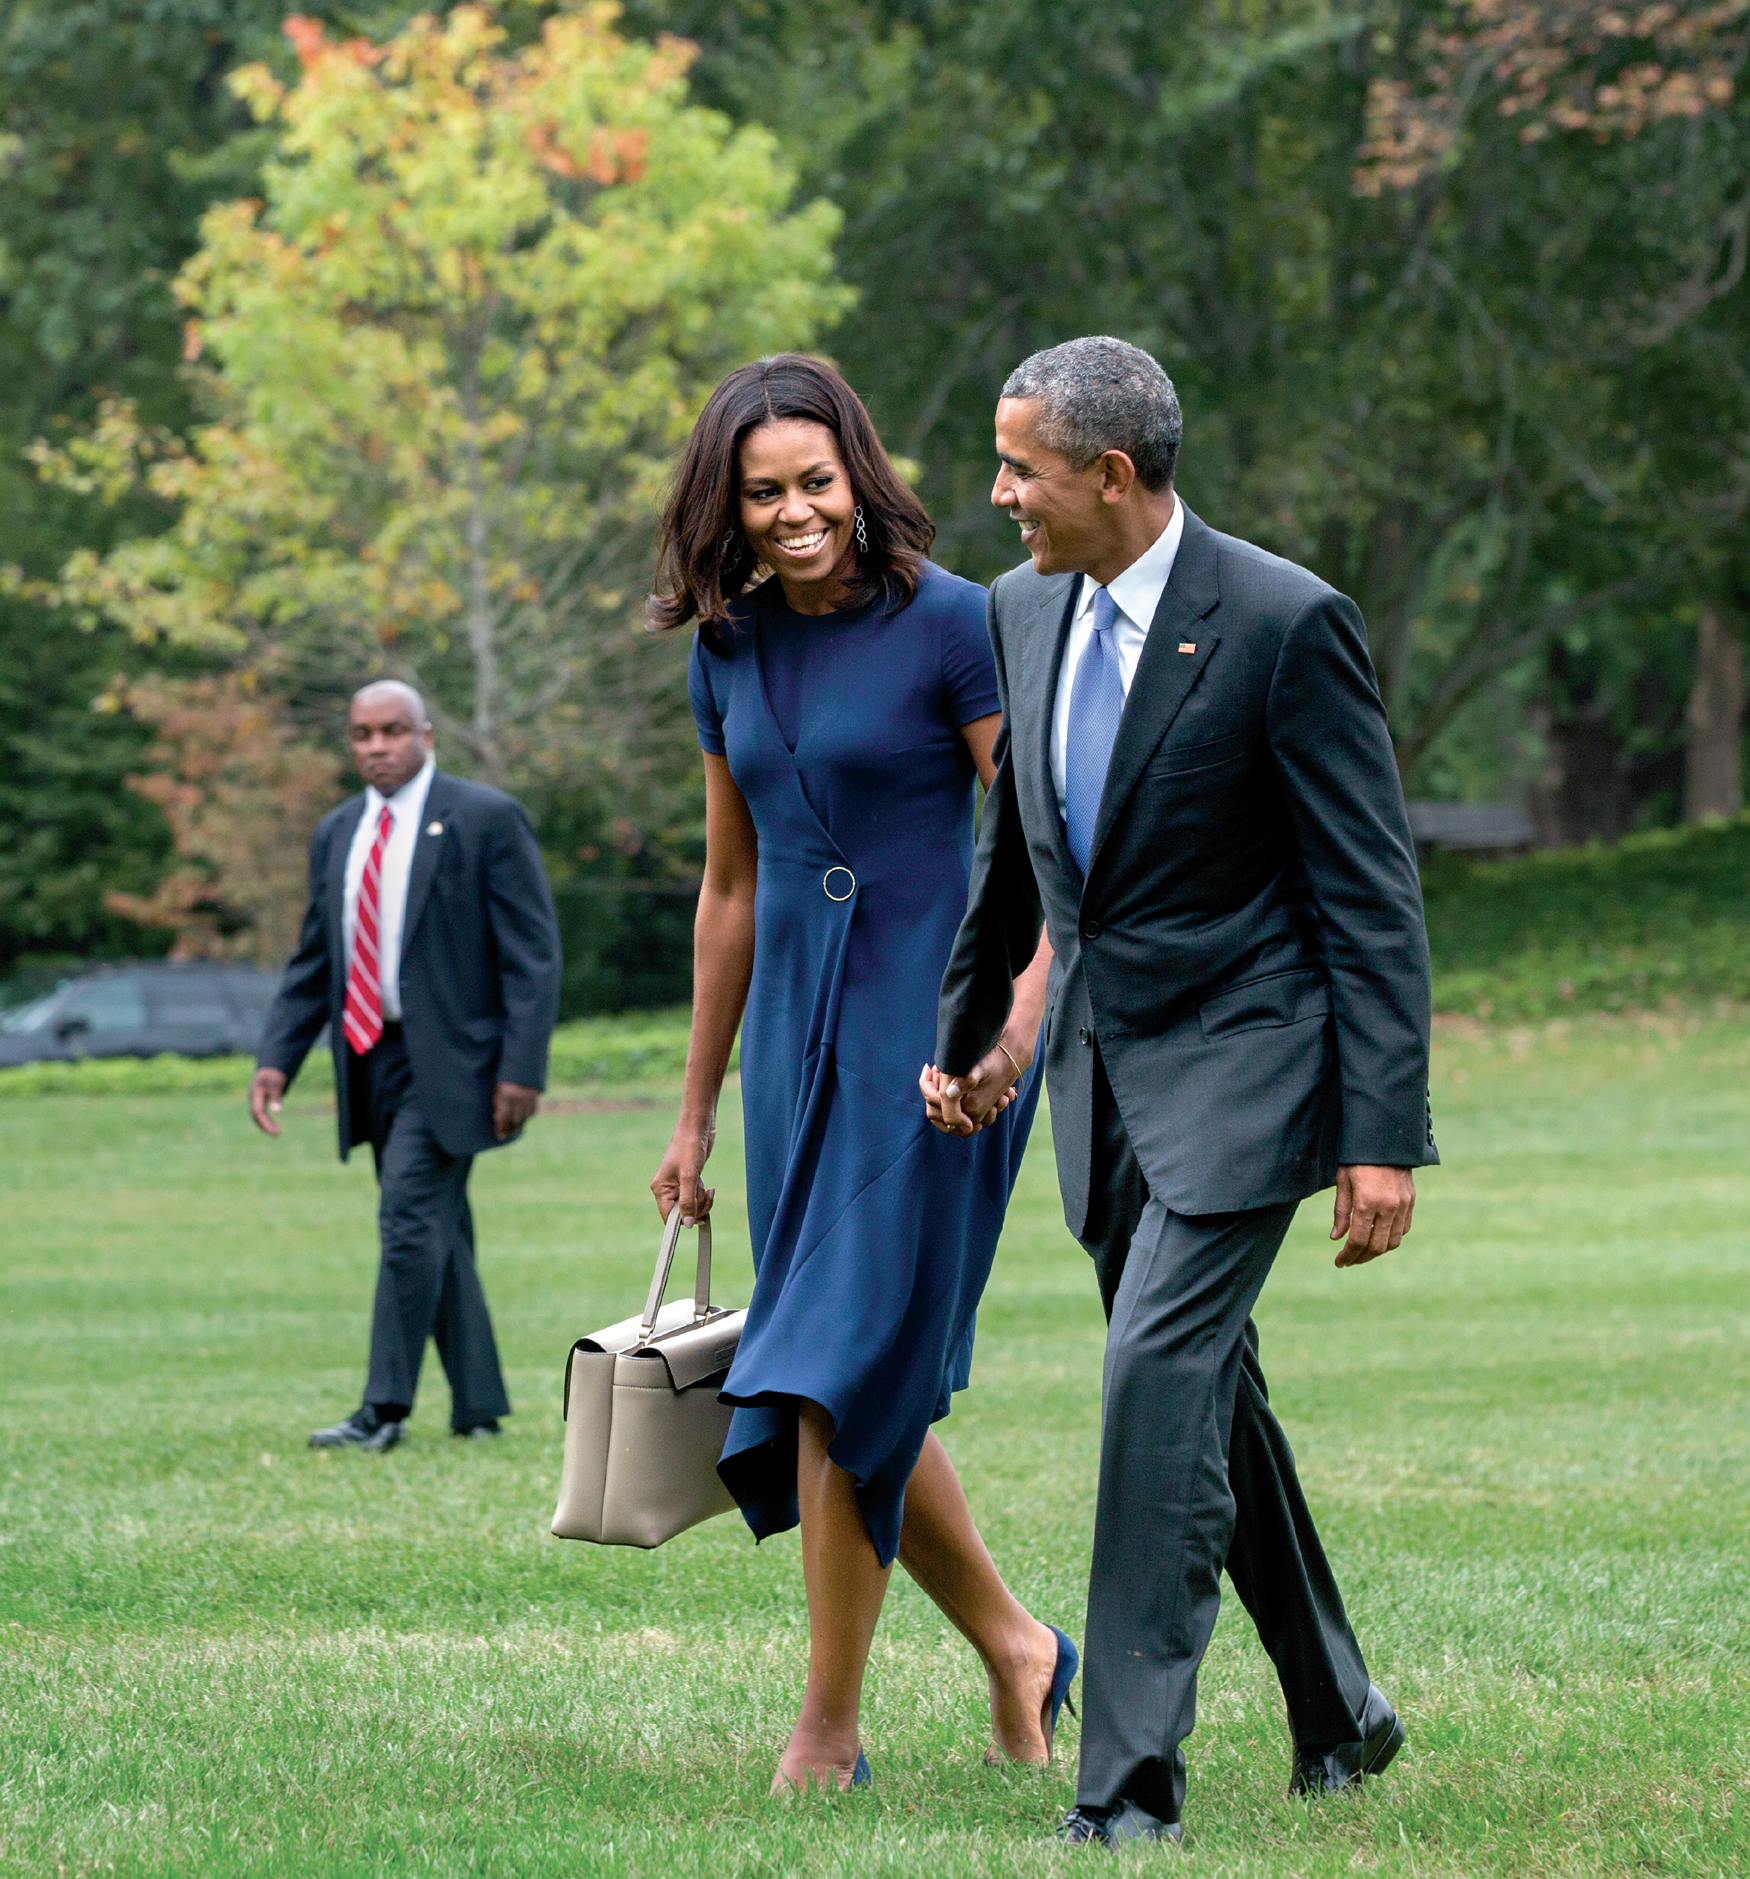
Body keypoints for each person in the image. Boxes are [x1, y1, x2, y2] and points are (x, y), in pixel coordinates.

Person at [927, 336, 1438, 1848]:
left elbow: (1369, 894)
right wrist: (969, 1042)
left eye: (1021, 465)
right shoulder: (1020, 610)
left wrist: (1377, 1133)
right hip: (1097, 1072)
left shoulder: (1285, 619)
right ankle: (1341, 1709)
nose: (999, 491)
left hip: (1249, 1059)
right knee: (1214, 1403)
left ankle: (1128, 1783)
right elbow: (1014, 852)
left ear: (1112, 471)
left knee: (1152, 1381)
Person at [647, 354, 1076, 1795]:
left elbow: (1044, 864)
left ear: (859, 476)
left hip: (936, 1042)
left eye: (814, 483)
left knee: (829, 1370)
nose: (793, 514)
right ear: (728, 503)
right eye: (762, 492)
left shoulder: (961, 625)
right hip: (792, 1048)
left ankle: (825, 1724)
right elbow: (728, 890)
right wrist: (695, 1110)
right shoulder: (725, 649)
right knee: (854, 1368)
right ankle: (1018, 1645)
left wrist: (1009, 1038)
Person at [251, 681, 562, 1451]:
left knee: (407, 1220)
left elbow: (533, 955)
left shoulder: (484, 817)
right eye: (362, 734)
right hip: (368, 1055)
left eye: (392, 731)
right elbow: (315, 956)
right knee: (435, 1227)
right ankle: (479, 1405)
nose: (377, 746)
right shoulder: (336, 832)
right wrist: (277, 1060)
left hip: (458, 1065)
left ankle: (381, 1409)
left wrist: (521, 1068)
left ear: (426, 734)